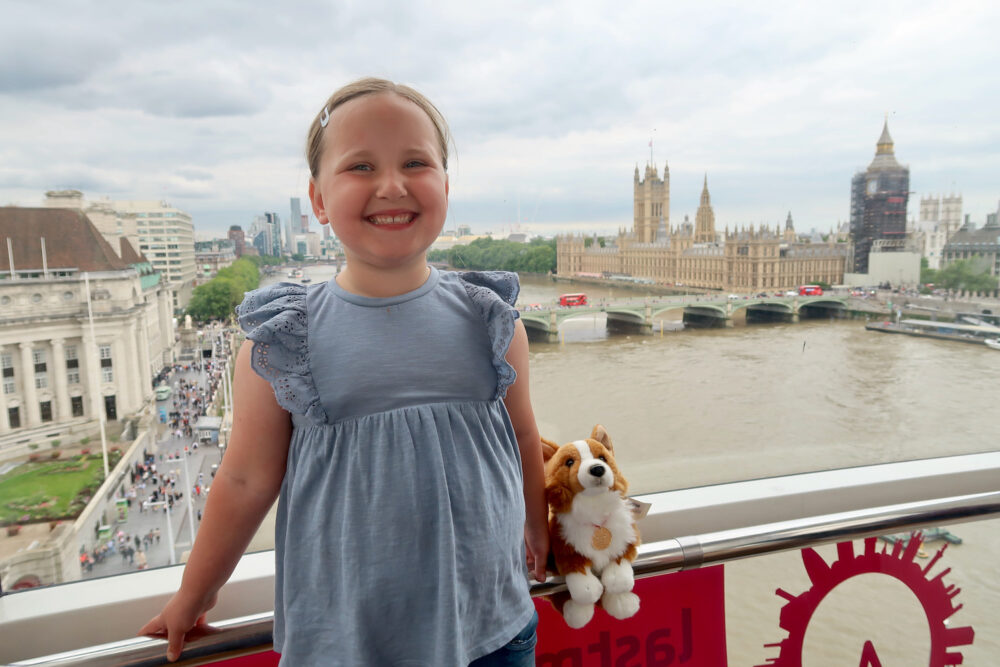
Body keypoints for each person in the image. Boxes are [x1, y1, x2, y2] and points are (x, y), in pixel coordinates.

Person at [139, 77, 549, 666]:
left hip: (491, 629)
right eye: (360, 167)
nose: (391, 185)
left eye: (415, 162)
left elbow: (523, 437)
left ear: (445, 185)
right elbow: (244, 481)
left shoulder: (493, 323)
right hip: (349, 645)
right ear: (319, 200)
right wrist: (195, 592)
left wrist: (537, 529)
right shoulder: (284, 340)